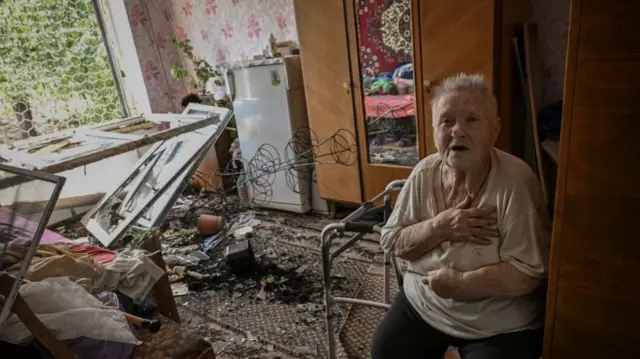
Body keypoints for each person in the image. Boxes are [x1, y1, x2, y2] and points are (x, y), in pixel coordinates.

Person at [371, 73, 551, 359]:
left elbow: (530, 273)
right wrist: (440, 227)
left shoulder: (517, 182)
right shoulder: (424, 172)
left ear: (495, 129)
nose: (457, 131)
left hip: (497, 323)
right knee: (385, 351)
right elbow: (392, 240)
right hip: (426, 302)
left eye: (472, 120)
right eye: (447, 120)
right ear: (433, 130)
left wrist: (461, 285)